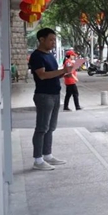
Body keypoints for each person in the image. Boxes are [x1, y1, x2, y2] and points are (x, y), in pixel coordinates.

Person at [29, 28, 72, 171]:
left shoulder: (50, 56)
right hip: (44, 95)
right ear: (41, 39)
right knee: (42, 128)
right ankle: (38, 160)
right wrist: (62, 71)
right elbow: (42, 75)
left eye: (54, 40)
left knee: (51, 128)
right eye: (51, 40)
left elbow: (53, 74)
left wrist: (64, 73)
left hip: (55, 94)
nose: (53, 43)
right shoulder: (36, 56)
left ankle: (47, 155)